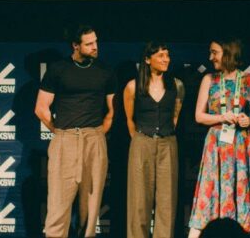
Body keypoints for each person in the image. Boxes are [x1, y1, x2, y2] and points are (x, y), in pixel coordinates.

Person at [35, 25, 117, 238]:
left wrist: (99, 133)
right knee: (58, 204)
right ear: (75, 45)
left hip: (94, 139)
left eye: (96, 42)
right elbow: (41, 108)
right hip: (66, 139)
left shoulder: (105, 71)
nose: (95, 47)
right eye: (89, 44)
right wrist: (59, 131)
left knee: (90, 207)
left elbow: (112, 110)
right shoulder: (58, 69)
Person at [187, 39, 250, 236]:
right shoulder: (209, 80)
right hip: (217, 146)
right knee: (210, 192)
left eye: (215, 52)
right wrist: (222, 117)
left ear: (228, 52)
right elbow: (199, 116)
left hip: (242, 147)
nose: (210, 57)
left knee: (242, 194)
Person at [123, 42, 185, 238]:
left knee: (167, 200)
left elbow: (175, 117)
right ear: (148, 60)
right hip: (142, 141)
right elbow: (129, 120)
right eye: (160, 56)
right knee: (139, 200)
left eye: (167, 55)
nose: (166, 59)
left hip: (168, 143)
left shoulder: (177, 85)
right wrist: (143, 140)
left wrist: (162, 137)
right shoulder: (133, 86)